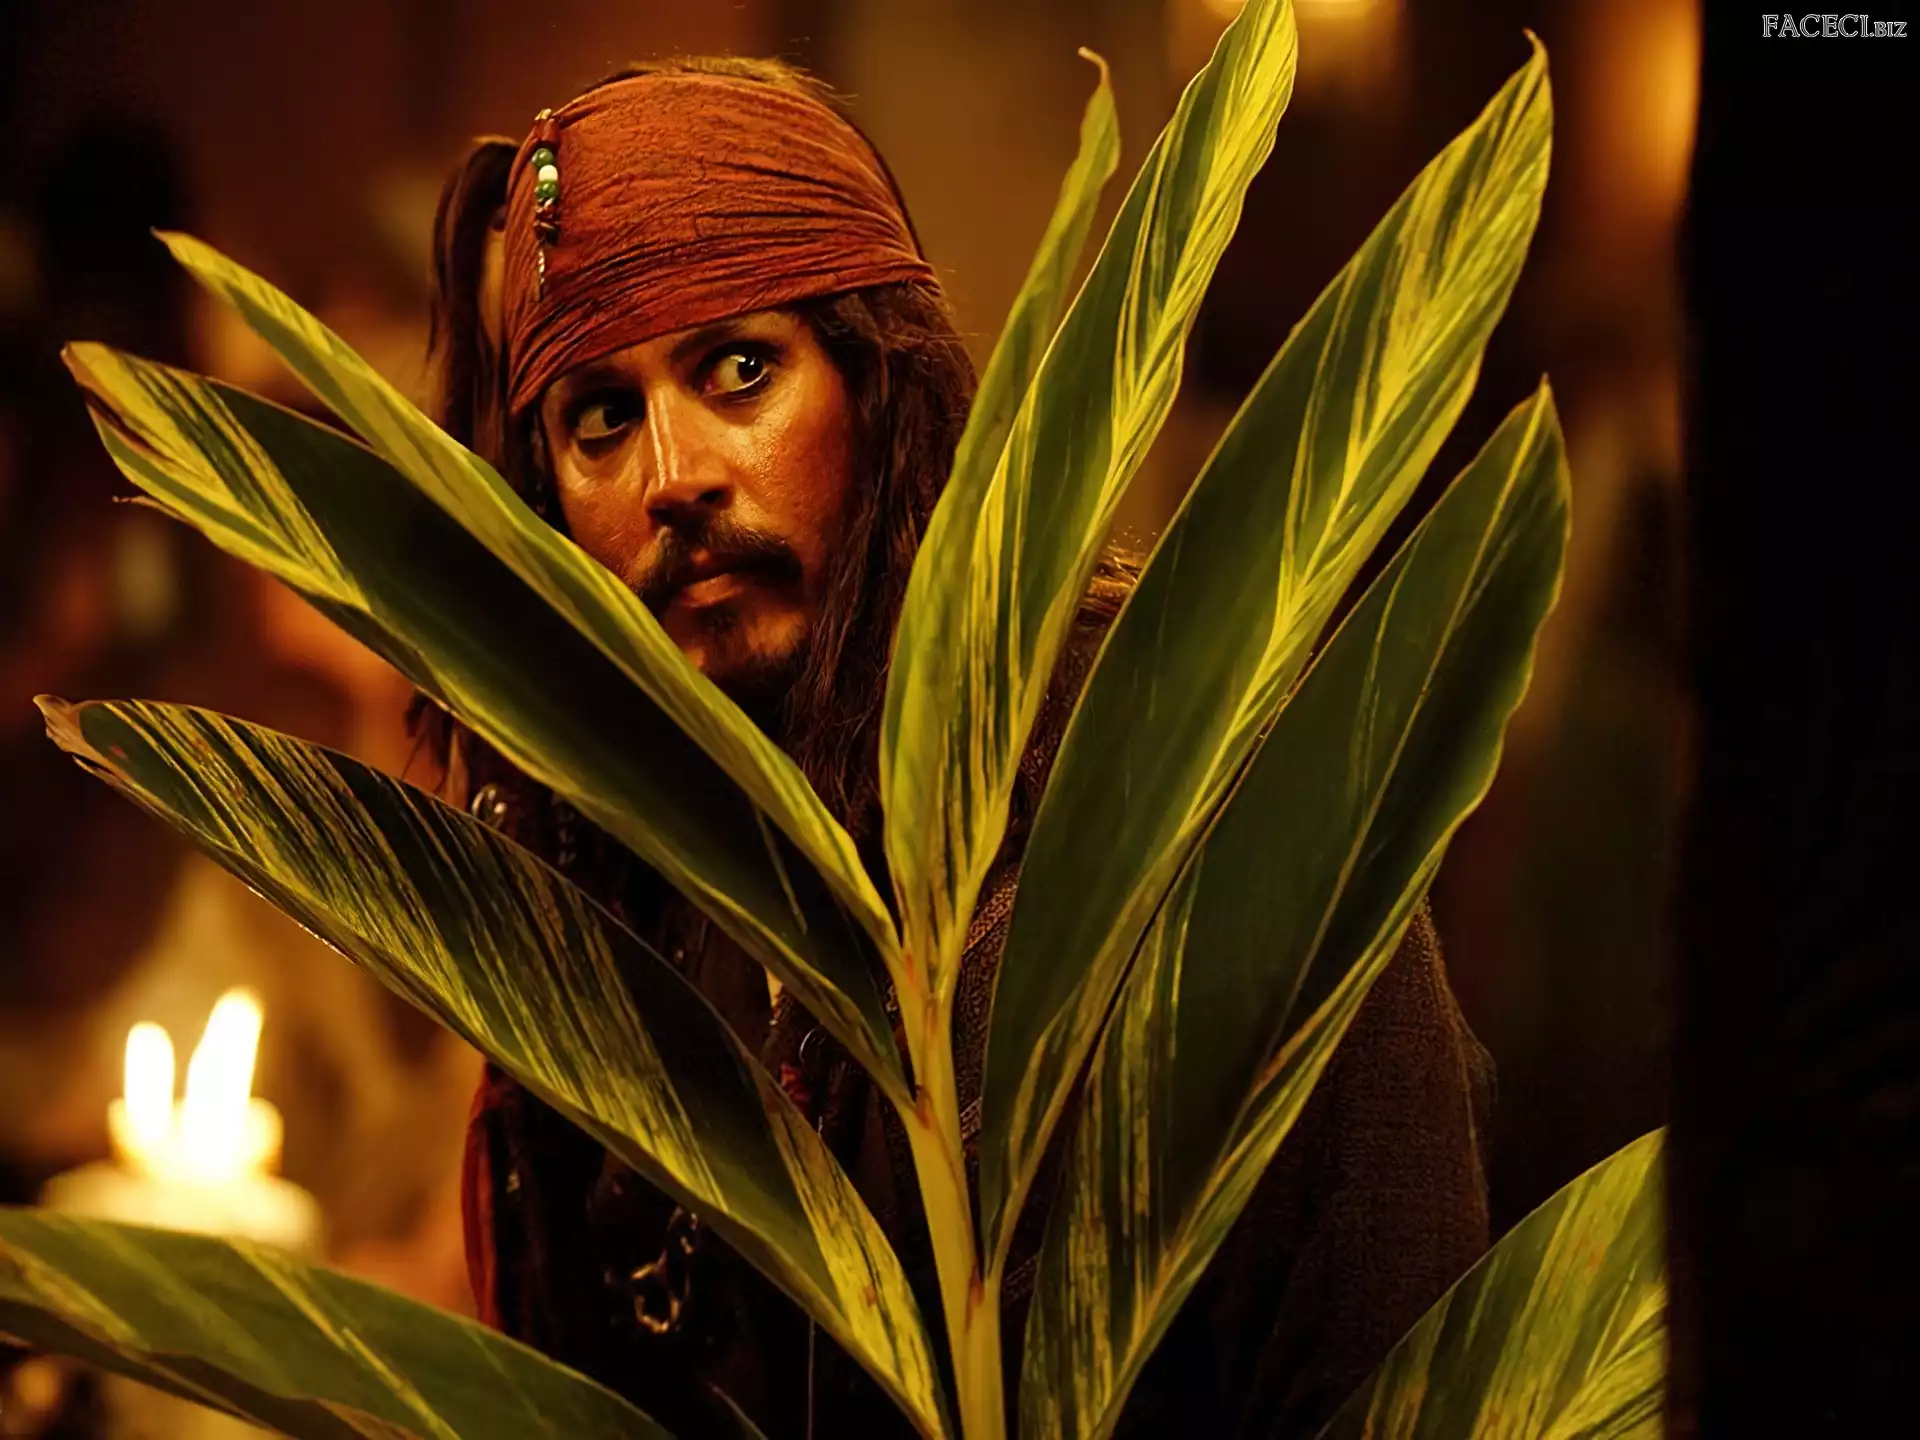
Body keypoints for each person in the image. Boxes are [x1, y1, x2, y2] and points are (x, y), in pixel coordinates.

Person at [418, 55, 1493, 1439]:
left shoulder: (1162, 770)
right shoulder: (605, 876)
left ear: (878, 383)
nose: (672, 475)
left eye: (740, 370)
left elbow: (1386, 1316)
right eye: (601, 418)